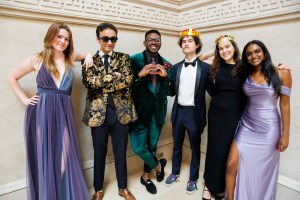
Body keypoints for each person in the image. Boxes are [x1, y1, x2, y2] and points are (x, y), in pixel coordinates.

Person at [6, 22, 93, 200]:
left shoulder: (70, 58)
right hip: (42, 113)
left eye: (66, 39)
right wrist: (25, 100)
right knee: (45, 158)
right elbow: (11, 77)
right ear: (51, 37)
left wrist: (89, 55)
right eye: (59, 36)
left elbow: (84, 54)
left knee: (64, 159)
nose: (62, 41)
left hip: (65, 114)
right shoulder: (37, 59)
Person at [225, 40, 292, 200]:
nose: (254, 56)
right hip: (247, 125)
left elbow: (285, 105)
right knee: (231, 165)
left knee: (260, 172)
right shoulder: (245, 73)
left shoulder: (282, 73)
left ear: (264, 52)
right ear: (246, 57)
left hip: (269, 130)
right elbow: (214, 61)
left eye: (257, 51)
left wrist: (286, 135)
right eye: (249, 53)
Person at [82, 23, 137, 200]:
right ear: (98, 39)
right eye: (105, 38)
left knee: (121, 152)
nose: (110, 42)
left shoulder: (124, 58)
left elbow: (128, 80)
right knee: (99, 153)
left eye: (113, 38)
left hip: (121, 112)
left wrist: (103, 81)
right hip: (97, 115)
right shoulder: (88, 60)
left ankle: (123, 188)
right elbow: (89, 83)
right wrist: (115, 76)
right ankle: (98, 190)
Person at [164, 28, 211, 195]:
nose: (186, 43)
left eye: (190, 41)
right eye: (183, 41)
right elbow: (171, 92)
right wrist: (164, 78)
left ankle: (193, 178)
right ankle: (175, 172)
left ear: (197, 45)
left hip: (194, 114)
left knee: (195, 147)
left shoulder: (206, 68)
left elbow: (213, 90)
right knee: (176, 145)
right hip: (179, 112)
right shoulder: (176, 68)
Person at [129, 29, 175, 194]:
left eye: (157, 40)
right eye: (150, 40)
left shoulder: (167, 64)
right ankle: (158, 165)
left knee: (153, 146)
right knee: (139, 148)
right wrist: (140, 76)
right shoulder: (133, 61)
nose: (154, 42)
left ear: (160, 43)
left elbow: (171, 92)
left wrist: (166, 77)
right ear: (145, 42)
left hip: (157, 113)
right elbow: (125, 89)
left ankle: (146, 176)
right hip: (138, 113)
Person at [202, 34, 246, 200]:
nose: (224, 50)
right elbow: (199, 59)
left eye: (228, 47)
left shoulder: (243, 67)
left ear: (234, 47)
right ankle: (208, 185)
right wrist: (214, 50)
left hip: (234, 116)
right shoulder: (216, 66)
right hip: (216, 114)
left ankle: (219, 187)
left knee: (226, 152)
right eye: (221, 48)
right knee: (213, 149)